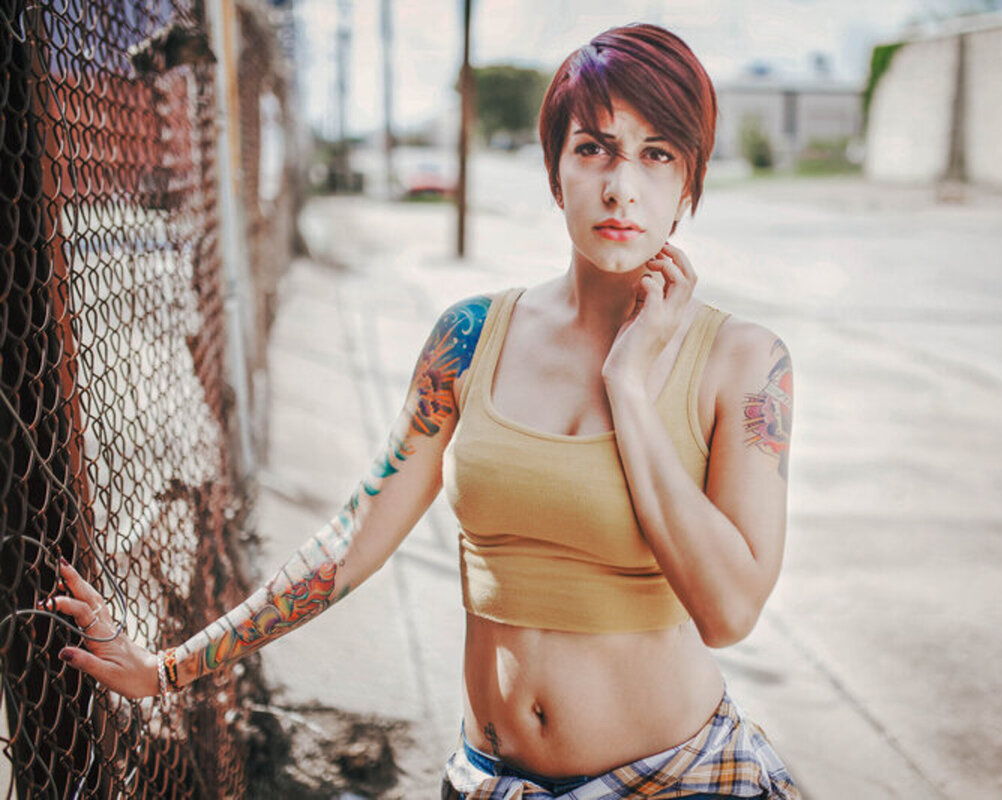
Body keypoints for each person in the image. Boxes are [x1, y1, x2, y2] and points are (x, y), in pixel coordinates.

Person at [44, 23, 799, 799]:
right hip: (490, 781)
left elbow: (729, 611)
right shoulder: (472, 337)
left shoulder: (743, 363)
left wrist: (631, 388)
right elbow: (353, 539)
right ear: (554, 170)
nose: (620, 187)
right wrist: (167, 668)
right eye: (594, 149)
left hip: (676, 779)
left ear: (690, 184)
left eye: (657, 155)